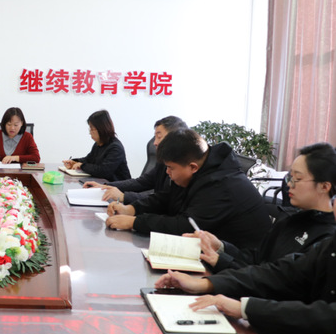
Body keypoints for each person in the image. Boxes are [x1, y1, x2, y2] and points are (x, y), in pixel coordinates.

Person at [154, 194, 336, 334]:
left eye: (297, 179)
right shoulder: (303, 226)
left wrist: (245, 308)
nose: (290, 184)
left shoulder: (324, 233)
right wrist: (207, 284)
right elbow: (278, 272)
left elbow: (324, 316)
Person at [107, 128, 271, 249]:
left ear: (192, 167)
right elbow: (166, 197)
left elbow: (185, 226)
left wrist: (135, 222)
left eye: (170, 168)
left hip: (241, 262)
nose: (167, 172)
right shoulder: (199, 170)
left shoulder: (221, 185)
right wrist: (132, 209)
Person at [194, 143, 336, 272]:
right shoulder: (288, 217)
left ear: (324, 187)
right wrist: (221, 247)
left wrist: (220, 261)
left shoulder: (327, 240)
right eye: (290, 177)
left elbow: (274, 280)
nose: (289, 184)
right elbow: (256, 258)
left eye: (297, 179)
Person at [83, 115, 188, 204]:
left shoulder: (184, 169)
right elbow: (141, 182)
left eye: (159, 137)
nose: (155, 143)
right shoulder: (162, 162)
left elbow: (164, 201)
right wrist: (105, 186)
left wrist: (123, 196)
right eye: (155, 137)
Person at [62, 110, 131, 181]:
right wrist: (74, 161)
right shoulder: (99, 143)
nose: (90, 132)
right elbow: (89, 160)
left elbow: (103, 171)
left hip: (117, 186)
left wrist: (81, 165)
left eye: (92, 129)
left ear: (102, 129)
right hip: (102, 184)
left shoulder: (115, 148)